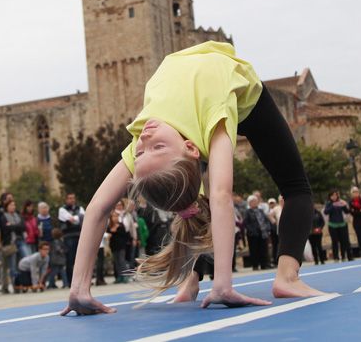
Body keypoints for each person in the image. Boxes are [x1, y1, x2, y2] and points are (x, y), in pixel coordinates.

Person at [62, 42, 322, 316]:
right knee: (296, 189)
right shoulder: (212, 118)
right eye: (153, 149)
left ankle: (191, 279)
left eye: (141, 152)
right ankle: (287, 277)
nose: (145, 140)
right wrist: (222, 284)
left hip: (213, 89)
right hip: (236, 96)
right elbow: (221, 194)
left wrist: (79, 288)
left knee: (195, 197)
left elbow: (96, 207)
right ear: (191, 148)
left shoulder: (146, 134)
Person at [58, 193, 85, 286]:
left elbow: (82, 218)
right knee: (70, 259)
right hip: (68, 237)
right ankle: (70, 282)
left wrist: (75, 219)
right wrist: (75, 219)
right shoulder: (62, 210)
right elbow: (72, 219)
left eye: (73, 198)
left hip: (79, 236)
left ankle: (81, 281)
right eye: (69, 198)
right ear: (66, 199)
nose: (72, 200)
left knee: (81, 260)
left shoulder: (79, 208)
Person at [0, 200, 24, 293]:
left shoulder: (17, 216)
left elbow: (22, 227)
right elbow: (5, 228)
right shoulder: (3, 217)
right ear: (7, 207)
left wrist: (12, 225)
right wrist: (15, 226)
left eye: (14, 205)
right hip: (7, 244)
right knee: (4, 267)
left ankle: (15, 286)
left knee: (15, 266)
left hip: (17, 243)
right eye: (11, 205)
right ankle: (4, 287)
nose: (13, 206)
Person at [243, 195, 271, 270]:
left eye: (255, 201)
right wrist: (252, 231)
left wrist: (267, 228)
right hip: (253, 234)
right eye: (252, 201)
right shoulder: (247, 212)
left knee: (263, 249)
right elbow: (246, 223)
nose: (255, 203)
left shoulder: (260, 210)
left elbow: (266, 220)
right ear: (249, 203)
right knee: (254, 250)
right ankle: (255, 265)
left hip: (263, 233)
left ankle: (264, 264)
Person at [323, 191, 352, 262]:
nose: (334, 197)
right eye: (332, 195)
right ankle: (336, 257)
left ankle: (343, 256)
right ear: (330, 197)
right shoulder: (329, 204)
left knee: (343, 241)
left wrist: (345, 205)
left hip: (342, 225)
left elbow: (347, 211)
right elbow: (326, 212)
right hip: (332, 226)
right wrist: (333, 205)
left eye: (335, 195)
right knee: (335, 242)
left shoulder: (341, 202)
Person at [107, 210, 130, 283]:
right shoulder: (109, 226)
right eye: (113, 216)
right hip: (114, 246)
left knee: (121, 260)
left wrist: (116, 230)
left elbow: (125, 235)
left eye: (116, 216)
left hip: (121, 246)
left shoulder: (121, 225)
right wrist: (111, 232)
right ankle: (119, 276)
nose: (115, 218)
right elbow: (108, 235)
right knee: (116, 262)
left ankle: (126, 276)